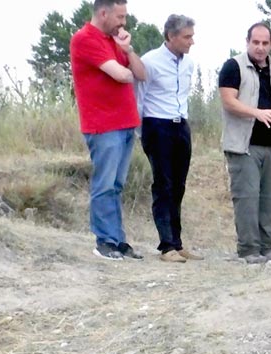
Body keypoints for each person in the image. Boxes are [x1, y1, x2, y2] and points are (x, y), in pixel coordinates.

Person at [219, 22, 271, 264]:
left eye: (265, 43)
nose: (260, 47)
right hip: (243, 145)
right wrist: (256, 113)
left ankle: (268, 248)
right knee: (247, 198)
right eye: (256, 42)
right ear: (247, 42)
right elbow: (228, 101)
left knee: (267, 199)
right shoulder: (233, 66)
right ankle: (248, 250)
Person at [70, 0, 146, 261]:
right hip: (103, 125)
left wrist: (128, 49)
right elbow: (123, 76)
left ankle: (117, 239)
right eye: (120, 16)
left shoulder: (115, 40)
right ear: (103, 13)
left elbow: (140, 74)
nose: (124, 22)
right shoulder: (84, 39)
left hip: (126, 122)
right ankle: (104, 241)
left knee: (116, 184)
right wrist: (124, 68)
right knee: (104, 184)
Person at [137, 14, 202, 263]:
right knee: (162, 185)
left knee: (179, 186)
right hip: (157, 124)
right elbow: (139, 97)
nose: (191, 42)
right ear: (171, 36)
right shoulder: (150, 62)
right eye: (187, 37)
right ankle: (166, 246)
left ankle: (177, 242)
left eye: (192, 36)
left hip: (180, 125)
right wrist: (143, 133)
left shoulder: (189, 64)